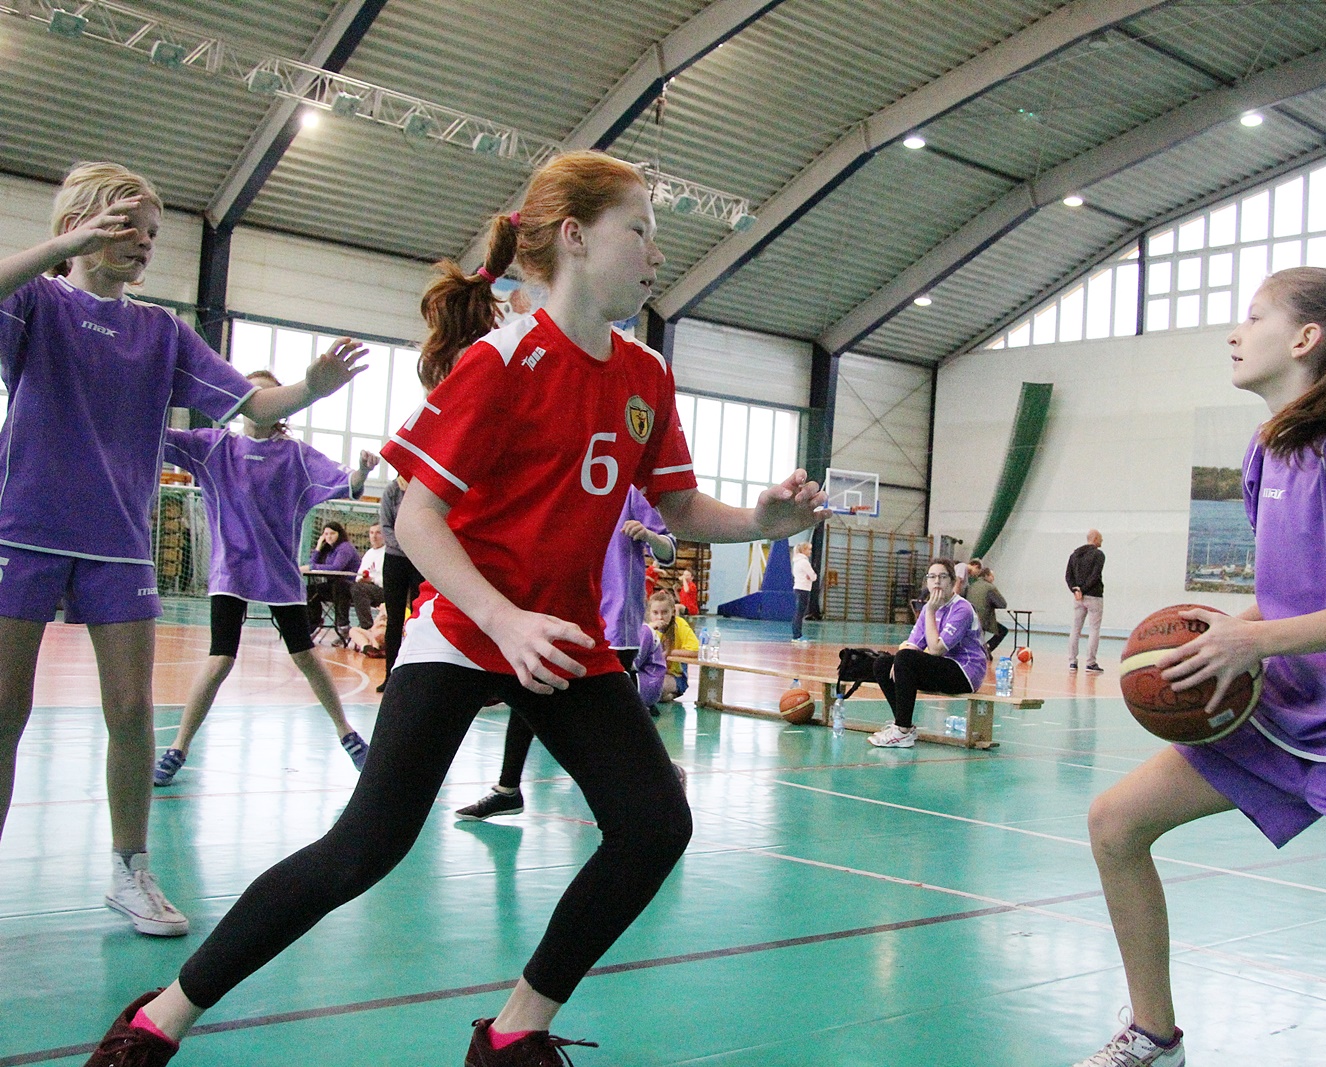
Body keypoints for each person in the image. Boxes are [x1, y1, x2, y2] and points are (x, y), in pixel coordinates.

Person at [84, 149, 825, 1067]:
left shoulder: (644, 376)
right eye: (639, 231)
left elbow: (675, 506)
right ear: (575, 236)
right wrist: (503, 619)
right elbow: (417, 517)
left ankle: (514, 1031)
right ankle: (159, 1017)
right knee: (365, 847)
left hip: (560, 638)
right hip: (469, 627)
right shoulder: (502, 361)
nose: (655, 253)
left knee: (654, 822)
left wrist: (760, 520)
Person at [1073, 269, 1326, 1067]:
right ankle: (1154, 1034)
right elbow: (1290, 596)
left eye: (1254, 317)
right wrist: (1218, 635)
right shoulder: (1268, 450)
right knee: (1115, 822)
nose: (1235, 332)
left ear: (1305, 338)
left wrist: (1252, 643)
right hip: (1286, 712)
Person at [0, 162, 364, 939]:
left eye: (154, 234)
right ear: (85, 223)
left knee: (133, 709)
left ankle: (130, 869)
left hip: (120, 543)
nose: (146, 244)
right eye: (131, 227)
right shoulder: (36, 302)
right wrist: (59, 247)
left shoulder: (162, 333)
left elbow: (256, 401)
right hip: (22, 530)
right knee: (5, 709)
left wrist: (310, 386)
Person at [152, 374, 379, 787]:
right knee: (220, 659)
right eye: (248, 393)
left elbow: (348, 483)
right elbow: (157, 436)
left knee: (306, 656)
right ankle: (177, 748)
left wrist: (363, 471)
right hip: (231, 572)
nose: (256, 401)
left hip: (278, 574)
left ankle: (348, 734)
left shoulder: (296, 457)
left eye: (266, 394)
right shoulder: (215, 447)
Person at [455, 486, 677, 821]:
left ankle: (663, 774)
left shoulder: (630, 491)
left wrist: (647, 535)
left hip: (614, 624)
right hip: (562, 611)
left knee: (613, 718)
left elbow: (669, 549)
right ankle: (507, 789)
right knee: (530, 689)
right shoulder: (565, 485)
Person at [867, 557, 987, 749]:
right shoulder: (927, 610)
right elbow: (912, 644)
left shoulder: (962, 609)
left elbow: (937, 649)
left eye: (943, 577)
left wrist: (930, 611)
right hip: (943, 668)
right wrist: (897, 661)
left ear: (953, 582)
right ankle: (904, 726)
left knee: (904, 658)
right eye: (932, 577)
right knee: (882, 664)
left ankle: (902, 731)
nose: (937, 581)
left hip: (965, 672)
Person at [377, 475, 421, 693]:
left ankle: (416, 676)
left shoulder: (421, 489)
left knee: (418, 618)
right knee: (394, 620)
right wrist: (407, 545)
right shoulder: (392, 491)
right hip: (395, 559)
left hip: (420, 560)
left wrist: (418, 547)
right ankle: (390, 676)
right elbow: (385, 527)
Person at [302, 521, 360, 639]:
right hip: (333, 585)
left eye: (332, 533)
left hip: (349, 587)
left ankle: (343, 626)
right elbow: (311, 563)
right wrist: (318, 547)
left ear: (339, 534)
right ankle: (314, 623)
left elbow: (336, 567)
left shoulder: (345, 548)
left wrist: (312, 567)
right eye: (326, 534)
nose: (329, 536)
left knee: (338, 587)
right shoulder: (329, 549)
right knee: (310, 591)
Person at [1065, 529, 1105, 672]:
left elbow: (1068, 576)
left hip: (1078, 598)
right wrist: (1083, 589)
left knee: (1075, 628)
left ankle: (1072, 662)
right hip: (1094, 596)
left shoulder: (1074, 555)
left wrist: (1076, 590)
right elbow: (1095, 575)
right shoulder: (1099, 555)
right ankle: (1090, 662)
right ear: (1095, 539)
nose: (1102, 540)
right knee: (1094, 629)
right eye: (1100, 538)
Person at [650, 589, 700, 700]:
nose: (660, 617)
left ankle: (672, 693)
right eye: (655, 613)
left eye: (664, 612)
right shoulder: (649, 628)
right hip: (653, 673)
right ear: (650, 613)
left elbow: (696, 651)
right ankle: (665, 697)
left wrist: (670, 652)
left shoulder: (679, 625)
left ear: (673, 612)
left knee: (656, 687)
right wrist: (649, 630)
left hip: (675, 676)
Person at [966, 566, 1009, 654]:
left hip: (969, 618)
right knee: (1003, 630)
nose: (993, 578)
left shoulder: (972, 585)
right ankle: (987, 649)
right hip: (983, 619)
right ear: (986, 576)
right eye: (992, 576)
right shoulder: (990, 588)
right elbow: (1002, 604)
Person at [351, 523, 386, 631]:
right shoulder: (369, 553)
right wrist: (362, 579)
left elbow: (390, 580)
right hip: (367, 587)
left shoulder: (388, 553)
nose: (374, 536)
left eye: (378, 533)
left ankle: (367, 627)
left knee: (358, 589)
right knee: (340, 588)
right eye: (371, 533)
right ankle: (342, 625)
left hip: (384, 590)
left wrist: (372, 579)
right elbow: (359, 575)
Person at [791, 539, 817, 643]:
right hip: (803, 589)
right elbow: (813, 576)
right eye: (809, 549)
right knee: (799, 613)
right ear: (804, 550)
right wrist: (811, 576)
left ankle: (797, 634)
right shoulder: (804, 562)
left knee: (798, 613)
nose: (810, 551)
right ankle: (797, 636)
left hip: (798, 588)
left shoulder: (796, 561)